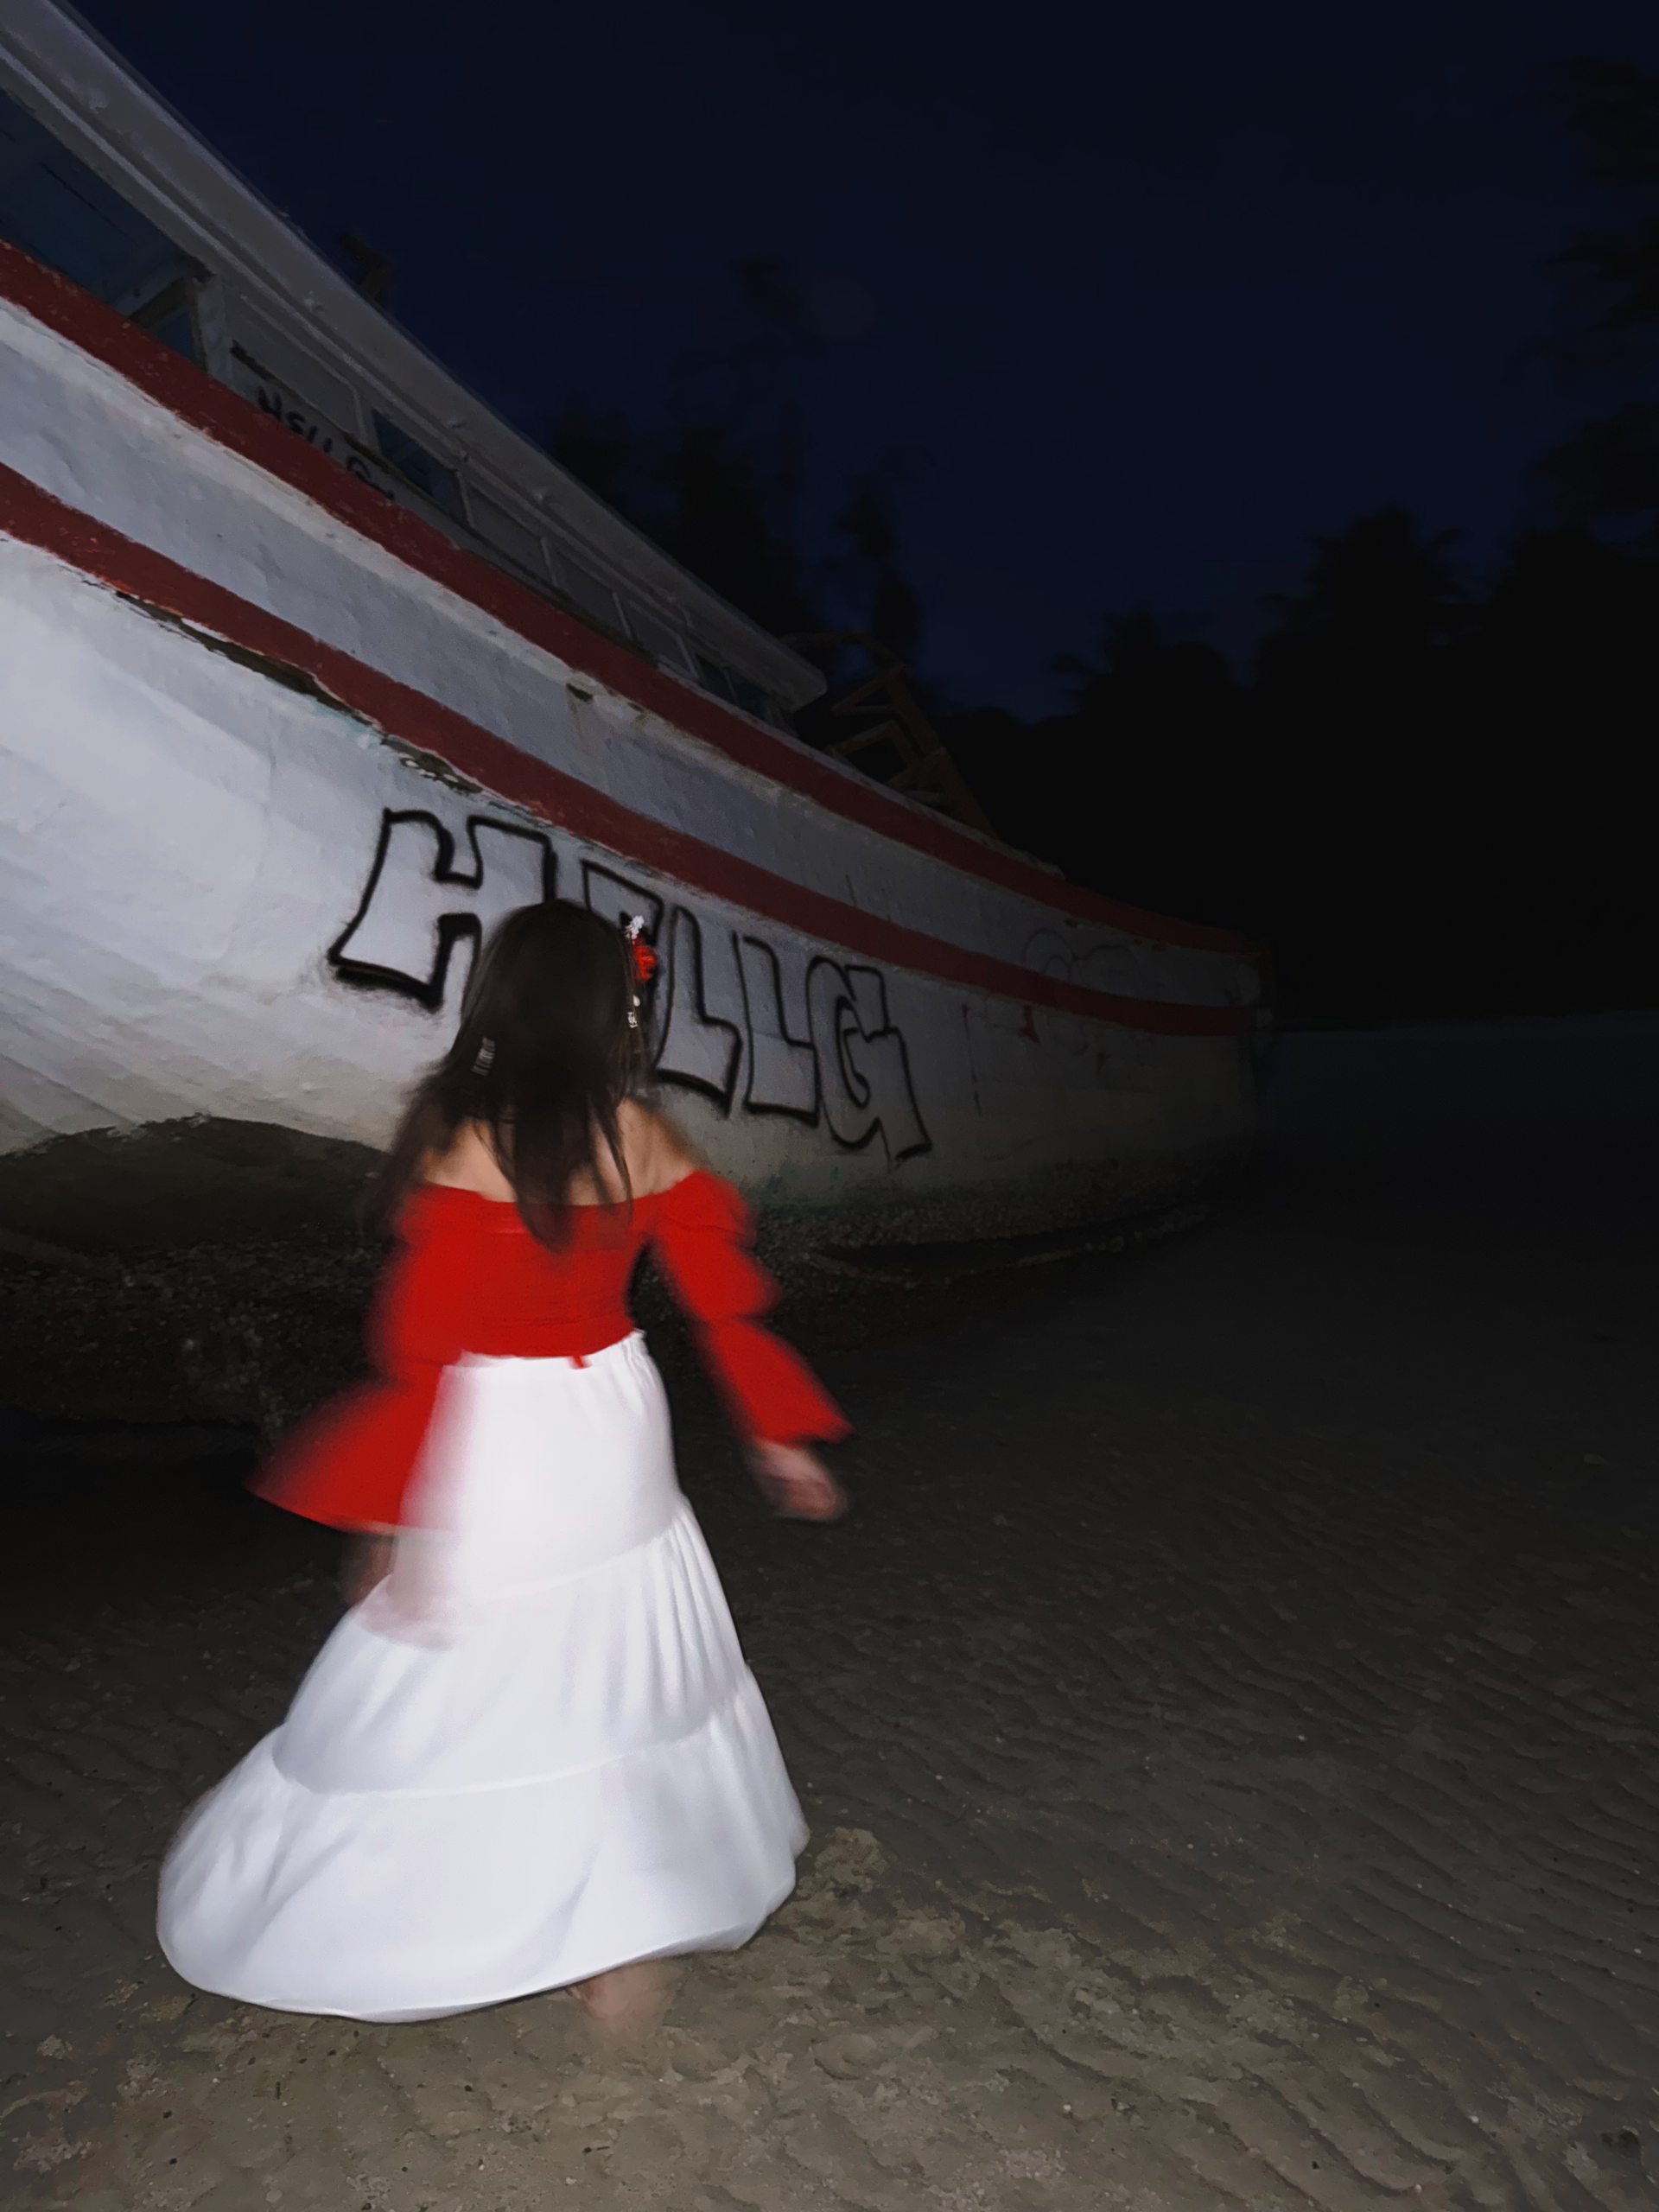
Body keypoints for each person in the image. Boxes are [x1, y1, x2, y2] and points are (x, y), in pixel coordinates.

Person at [156, 900, 849, 2040]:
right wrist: (777, 1433)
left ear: (500, 1004)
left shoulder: (457, 1140)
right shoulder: (644, 1135)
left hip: (500, 1426)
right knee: (613, 1661)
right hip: (612, 1421)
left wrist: (390, 1519)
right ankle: (617, 1930)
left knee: (471, 1673)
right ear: (609, 1013)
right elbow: (721, 1302)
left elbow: (421, 1349)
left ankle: (510, 1914)